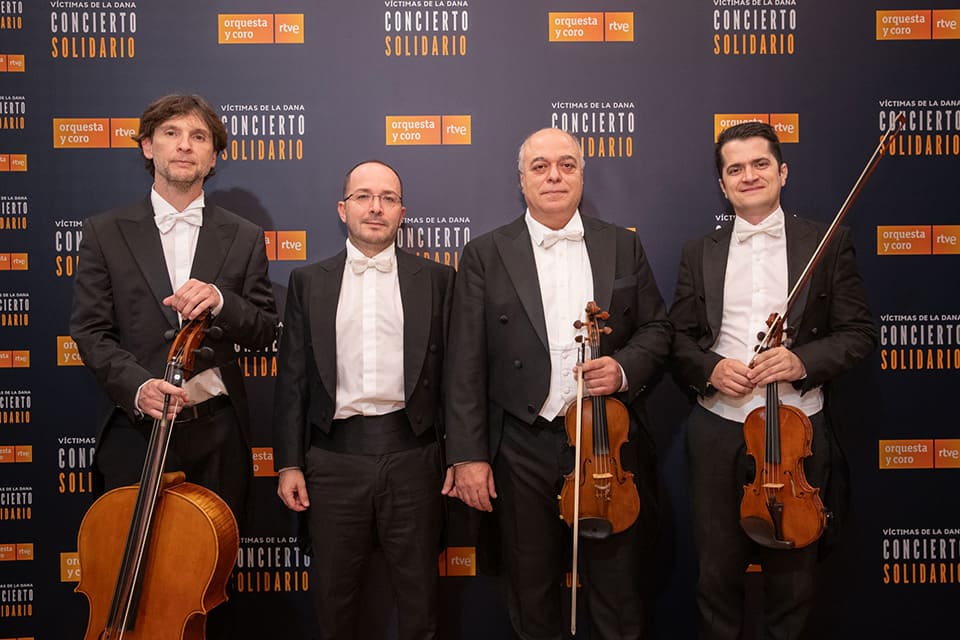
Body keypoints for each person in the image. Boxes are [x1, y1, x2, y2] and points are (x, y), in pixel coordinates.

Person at [443, 127, 672, 639]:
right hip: (522, 444)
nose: (554, 176)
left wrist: (622, 368)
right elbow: (464, 363)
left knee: (618, 593)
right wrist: (468, 455)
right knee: (531, 593)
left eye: (567, 165)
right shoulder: (484, 253)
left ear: (582, 177)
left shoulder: (623, 243)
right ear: (521, 180)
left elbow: (658, 329)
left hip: (605, 443)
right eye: (540, 166)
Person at [668, 121, 877, 639]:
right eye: (735, 169)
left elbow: (858, 333)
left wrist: (800, 362)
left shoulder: (828, 242)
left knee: (794, 580)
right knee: (716, 575)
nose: (749, 175)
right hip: (718, 429)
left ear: (783, 172)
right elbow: (677, 338)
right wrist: (710, 368)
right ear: (722, 185)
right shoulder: (698, 251)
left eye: (760, 164)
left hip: (797, 430)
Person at [71, 93, 278, 524]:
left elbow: (264, 329)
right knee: (131, 563)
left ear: (213, 157)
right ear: (148, 146)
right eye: (171, 133)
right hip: (135, 433)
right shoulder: (104, 232)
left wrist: (222, 301)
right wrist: (138, 387)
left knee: (213, 565)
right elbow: (91, 331)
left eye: (199, 137)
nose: (185, 145)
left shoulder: (245, 236)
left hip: (219, 437)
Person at [272, 160, 455, 640]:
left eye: (388, 198)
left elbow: (457, 380)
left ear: (401, 213)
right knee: (334, 604)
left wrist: (458, 457)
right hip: (332, 460)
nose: (376, 207)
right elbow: (291, 380)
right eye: (363, 197)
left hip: (415, 456)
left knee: (420, 601)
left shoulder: (438, 280)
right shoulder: (308, 281)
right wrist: (288, 463)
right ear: (343, 209)